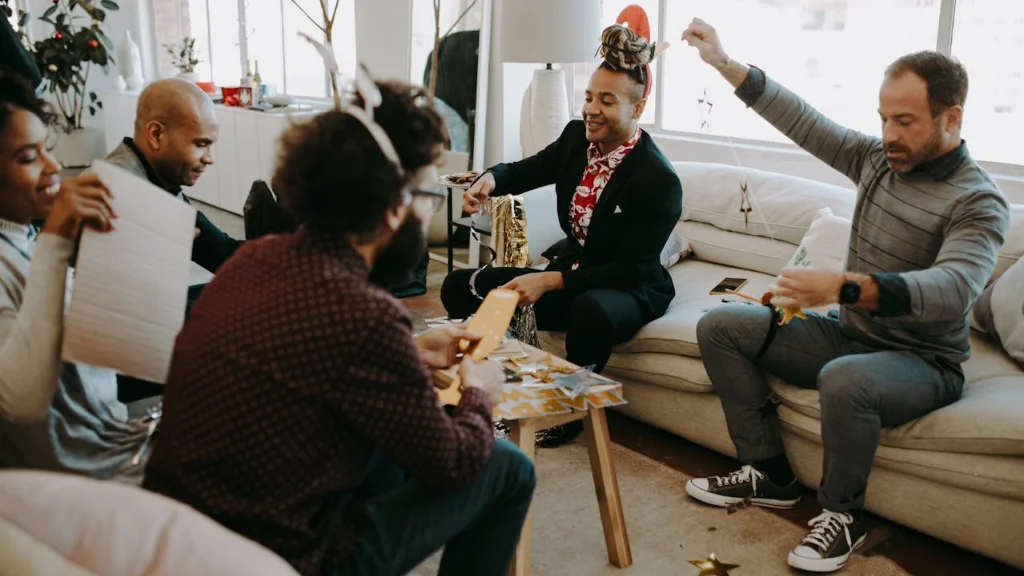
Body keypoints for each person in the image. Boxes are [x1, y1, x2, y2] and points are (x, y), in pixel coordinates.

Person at [142, 78, 536, 576]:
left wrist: (408, 352)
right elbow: (454, 463)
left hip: (175, 538)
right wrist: (479, 391)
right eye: (429, 196)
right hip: (277, 560)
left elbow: (305, 360)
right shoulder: (362, 313)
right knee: (505, 467)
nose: (427, 210)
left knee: (386, 441)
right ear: (395, 205)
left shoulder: (254, 259)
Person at [681, 19, 1009, 573]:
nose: (887, 134)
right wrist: (725, 63)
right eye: (883, 118)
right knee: (721, 326)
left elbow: (952, 290)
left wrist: (840, 286)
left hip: (922, 364)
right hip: (850, 335)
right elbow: (806, 121)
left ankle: (843, 515)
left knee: (845, 377)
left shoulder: (978, 201)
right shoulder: (878, 160)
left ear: (951, 118)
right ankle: (769, 473)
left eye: (905, 121)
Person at [440, 24, 682, 442]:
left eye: (607, 100)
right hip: (573, 273)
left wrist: (549, 278)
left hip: (628, 289)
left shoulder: (657, 179)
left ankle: (567, 411)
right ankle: (475, 388)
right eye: (589, 96)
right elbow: (526, 169)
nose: (591, 109)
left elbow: (631, 268)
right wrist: (490, 180)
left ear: (637, 109)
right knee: (459, 287)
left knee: (589, 309)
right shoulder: (575, 138)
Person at [0, 67, 154, 481]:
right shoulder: (32, 244)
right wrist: (55, 242)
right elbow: (24, 399)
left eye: (47, 148)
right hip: (85, 478)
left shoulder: (22, 235)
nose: (54, 167)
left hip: (116, 439)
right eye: (29, 157)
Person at [103, 78, 241, 275]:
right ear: (156, 134)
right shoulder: (118, 193)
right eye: (200, 145)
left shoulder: (156, 180)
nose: (210, 159)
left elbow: (221, 253)